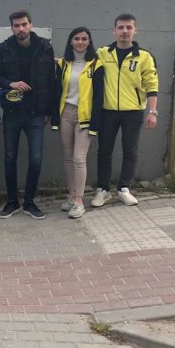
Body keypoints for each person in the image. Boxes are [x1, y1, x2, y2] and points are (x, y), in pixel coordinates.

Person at [0, 11, 55, 220]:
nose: (21, 29)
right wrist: (10, 83)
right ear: (12, 27)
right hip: (12, 112)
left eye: (24, 24)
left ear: (31, 25)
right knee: (10, 157)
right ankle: (12, 202)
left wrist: (48, 111)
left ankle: (29, 202)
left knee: (36, 159)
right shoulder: (4, 49)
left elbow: (51, 81)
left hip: (36, 114)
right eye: (16, 25)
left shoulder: (45, 47)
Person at [93, 13, 159, 207]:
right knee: (104, 151)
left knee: (130, 151)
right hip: (107, 111)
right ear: (113, 31)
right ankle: (103, 190)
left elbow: (152, 85)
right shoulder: (103, 53)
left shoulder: (144, 57)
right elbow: (82, 63)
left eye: (129, 27)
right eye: (120, 27)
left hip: (133, 112)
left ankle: (124, 188)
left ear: (135, 30)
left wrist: (152, 112)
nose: (124, 31)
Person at [51, 27, 103, 219]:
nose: (80, 42)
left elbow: (99, 97)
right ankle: (72, 195)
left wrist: (95, 123)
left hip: (84, 117)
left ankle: (80, 201)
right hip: (66, 113)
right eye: (76, 39)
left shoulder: (96, 64)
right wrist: (55, 117)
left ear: (89, 42)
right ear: (70, 41)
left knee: (79, 158)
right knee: (67, 157)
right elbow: (56, 90)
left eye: (84, 39)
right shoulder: (63, 64)